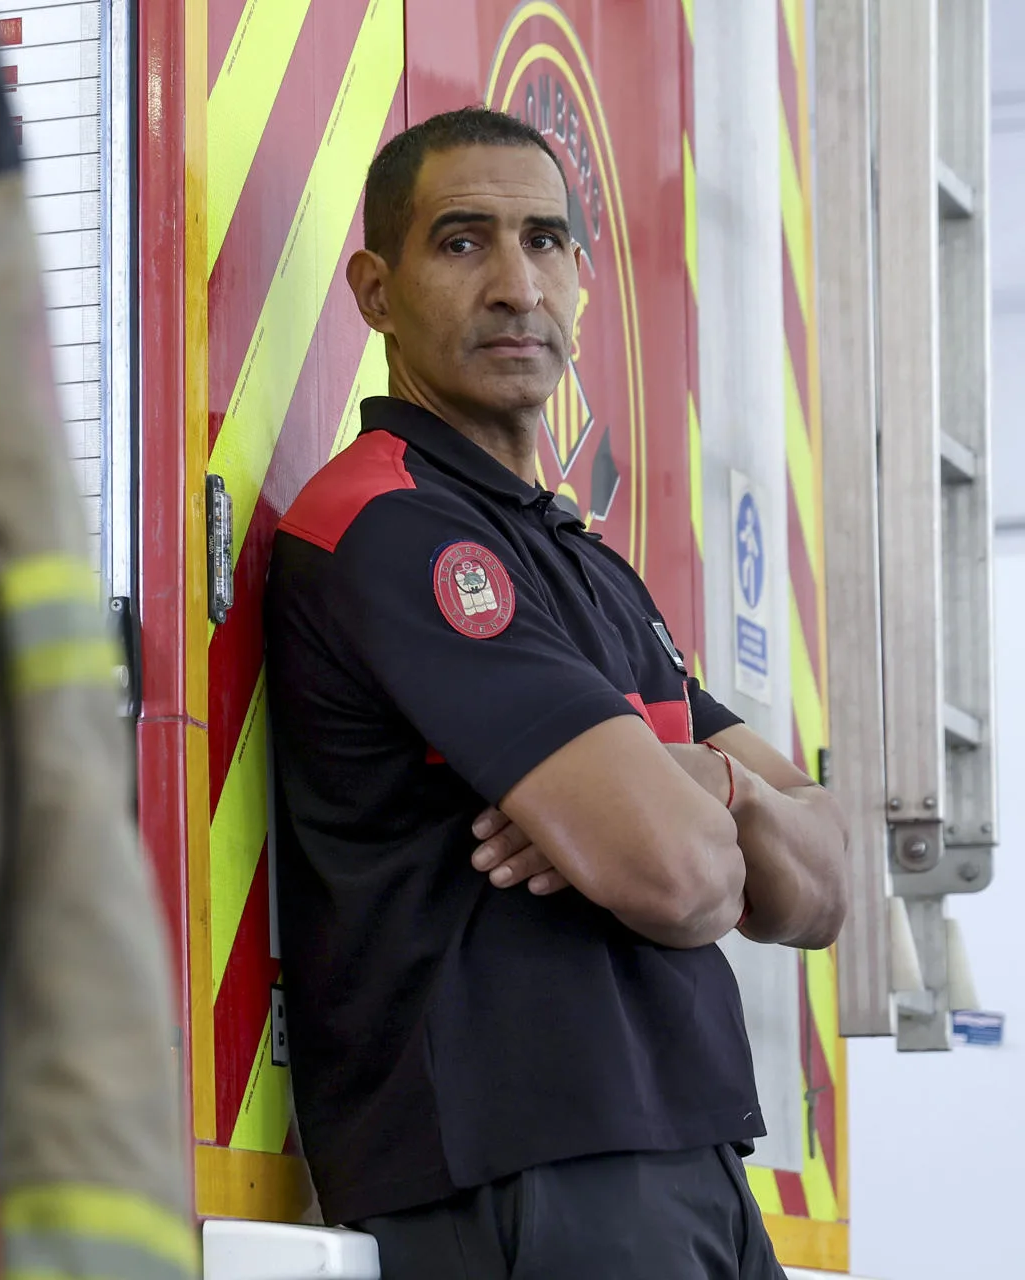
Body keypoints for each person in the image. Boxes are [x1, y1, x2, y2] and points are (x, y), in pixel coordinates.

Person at [263, 106, 849, 1279]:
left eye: (545, 242)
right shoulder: (390, 526)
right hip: (533, 1176)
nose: (516, 285)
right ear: (376, 290)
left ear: (584, 277)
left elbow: (825, 891)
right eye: (463, 241)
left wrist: (702, 779)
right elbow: (682, 881)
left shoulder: (584, 560)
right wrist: (687, 807)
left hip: (686, 1164)